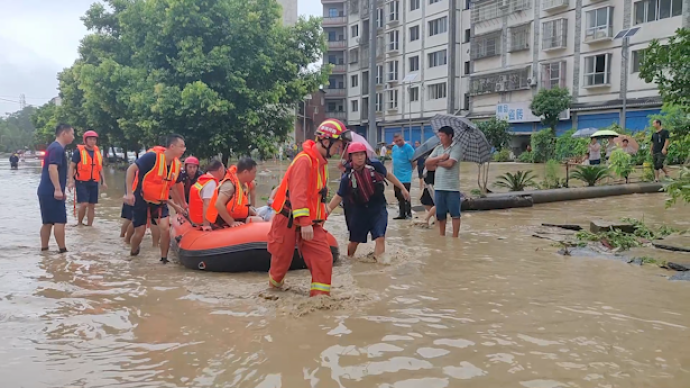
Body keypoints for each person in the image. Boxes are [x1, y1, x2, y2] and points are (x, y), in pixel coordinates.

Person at [267, 118, 351, 297]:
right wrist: (304, 222)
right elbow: (298, 193)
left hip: (311, 222)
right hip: (288, 218)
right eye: (338, 144)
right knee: (281, 261)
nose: (339, 149)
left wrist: (318, 220)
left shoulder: (321, 163)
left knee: (324, 257)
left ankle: (319, 300)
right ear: (326, 141)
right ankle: (274, 291)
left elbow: (317, 196)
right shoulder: (305, 161)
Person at [326, 142, 409, 262]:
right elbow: (339, 196)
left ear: (366, 155)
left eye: (362, 154)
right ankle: (350, 260)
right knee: (355, 241)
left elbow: (388, 175)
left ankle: (380, 266)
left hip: (378, 207)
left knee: (380, 237)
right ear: (350, 157)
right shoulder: (347, 176)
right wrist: (327, 210)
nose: (360, 158)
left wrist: (403, 188)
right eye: (356, 155)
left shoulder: (375, 166)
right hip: (358, 210)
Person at [124, 135, 187, 263]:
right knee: (140, 232)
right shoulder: (152, 157)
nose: (184, 149)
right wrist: (129, 193)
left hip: (159, 200)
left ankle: (164, 259)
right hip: (141, 197)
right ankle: (133, 252)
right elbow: (131, 169)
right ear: (172, 146)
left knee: (165, 228)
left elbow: (174, 187)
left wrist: (180, 205)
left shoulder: (176, 165)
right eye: (181, 146)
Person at [37, 124, 75, 253]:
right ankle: (62, 250)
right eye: (72, 134)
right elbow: (52, 168)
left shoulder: (53, 147)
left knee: (47, 222)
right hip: (51, 191)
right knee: (60, 221)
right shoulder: (57, 149)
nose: (73, 137)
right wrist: (58, 189)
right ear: (64, 133)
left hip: (45, 190)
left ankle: (44, 249)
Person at [425, 126, 462, 238]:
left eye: (443, 136)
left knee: (455, 214)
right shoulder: (438, 149)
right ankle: (442, 236)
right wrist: (441, 157)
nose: (440, 138)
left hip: (452, 187)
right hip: (438, 186)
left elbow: (450, 164)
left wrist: (437, 163)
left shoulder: (456, 148)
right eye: (439, 135)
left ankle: (455, 237)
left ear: (450, 136)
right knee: (440, 214)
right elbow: (427, 163)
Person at [206, 158, 263, 228]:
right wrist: (231, 222)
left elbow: (241, 206)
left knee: (260, 218)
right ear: (245, 172)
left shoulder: (243, 184)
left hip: (237, 217)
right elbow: (218, 204)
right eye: (254, 172)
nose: (255, 175)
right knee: (259, 221)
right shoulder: (229, 185)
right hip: (222, 222)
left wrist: (254, 212)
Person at [67, 130, 108, 226]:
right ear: (85, 140)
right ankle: (80, 223)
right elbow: (72, 166)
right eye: (90, 139)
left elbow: (100, 168)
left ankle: (90, 226)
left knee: (92, 205)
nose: (92, 141)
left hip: (94, 181)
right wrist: (70, 181)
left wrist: (104, 181)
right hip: (81, 181)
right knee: (84, 204)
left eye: (94, 139)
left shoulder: (97, 152)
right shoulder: (78, 152)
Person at [188, 160, 226, 231]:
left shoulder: (203, 180)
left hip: (195, 219)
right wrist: (206, 225)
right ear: (220, 169)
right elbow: (207, 203)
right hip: (202, 221)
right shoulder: (211, 183)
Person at [391, 133, 415, 219]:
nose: (398, 142)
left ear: (403, 139)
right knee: (397, 194)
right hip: (396, 176)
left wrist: (410, 171)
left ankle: (408, 213)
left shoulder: (408, 148)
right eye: (396, 141)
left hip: (406, 176)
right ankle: (402, 214)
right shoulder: (394, 148)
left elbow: (413, 161)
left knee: (405, 194)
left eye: (400, 140)